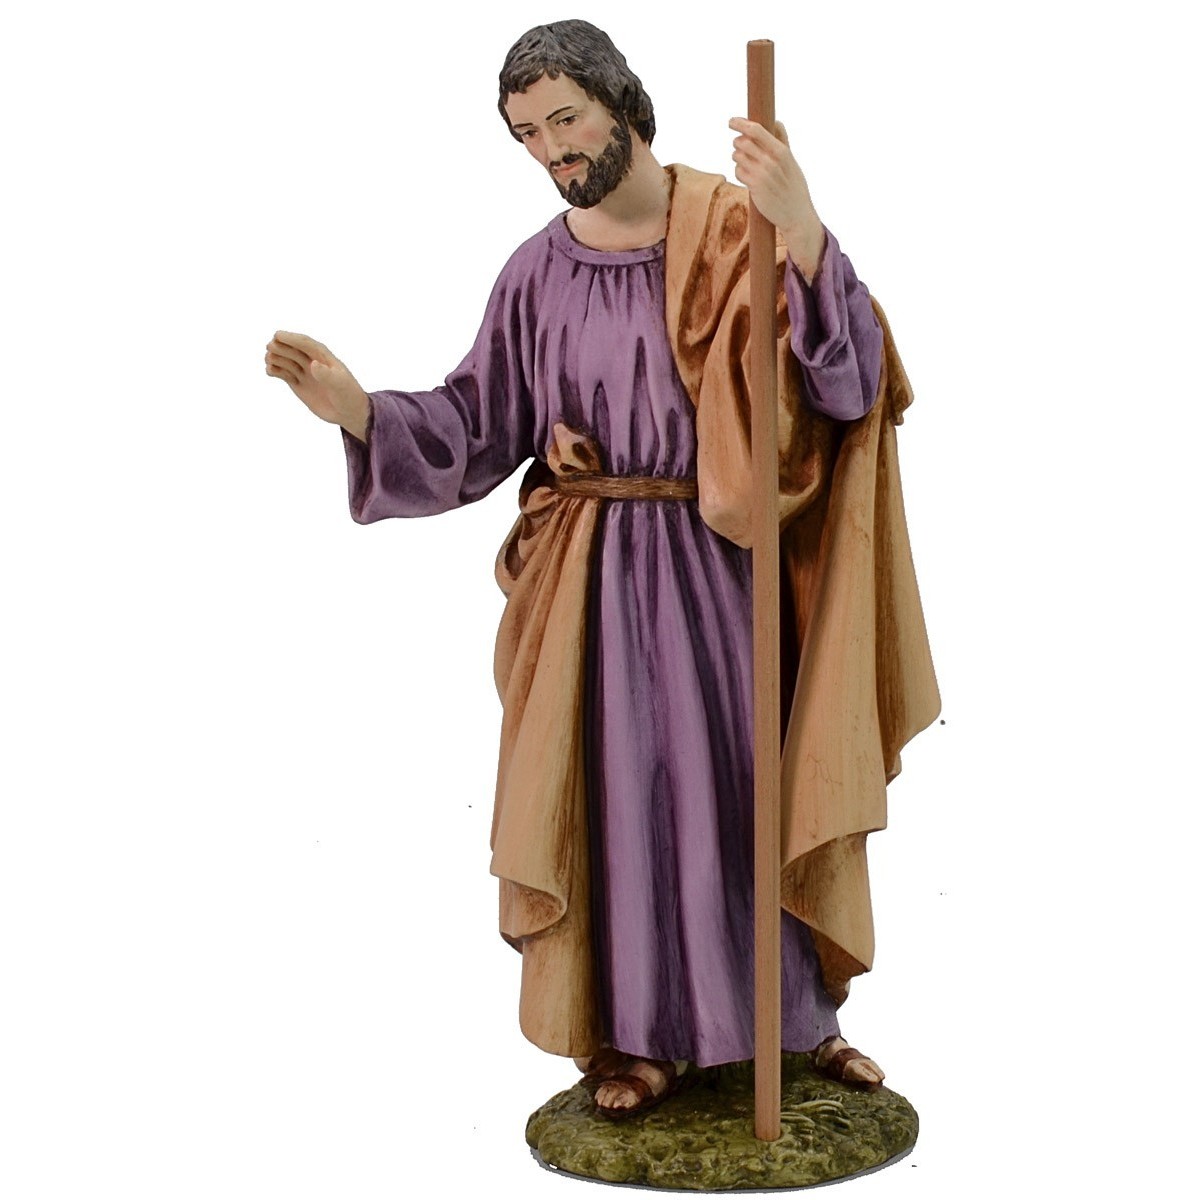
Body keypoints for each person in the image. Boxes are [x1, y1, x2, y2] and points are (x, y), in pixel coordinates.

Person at [265, 20, 938, 1117]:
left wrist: (806, 231)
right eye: (528, 134)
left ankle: (796, 1025)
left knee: (751, 792)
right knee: (622, 804)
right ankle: (641, 1038)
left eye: (565, 119)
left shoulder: (737, 230)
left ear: (622, 101)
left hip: (723, 573)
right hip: (588, 593)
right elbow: (478, 424)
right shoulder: (537, 273)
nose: (551, 149)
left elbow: (847, 385)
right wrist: (362, 413)